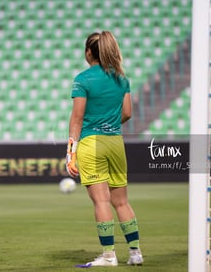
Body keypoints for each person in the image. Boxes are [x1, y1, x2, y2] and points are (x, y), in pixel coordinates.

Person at [66, 31, 143, 267]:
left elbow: (77, 118)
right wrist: (108, 125)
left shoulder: (83, 79)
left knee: (101, 201)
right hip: (115, 142)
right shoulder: (122, 78)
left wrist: (70, 153)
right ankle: (135, 253)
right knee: (121, 202)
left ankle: (109, 255)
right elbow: (128, 113)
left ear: (89, 52)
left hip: (92, 143)